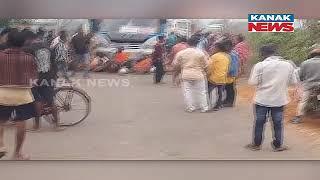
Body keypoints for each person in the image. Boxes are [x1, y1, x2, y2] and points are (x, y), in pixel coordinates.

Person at [245, 44, 297, 152]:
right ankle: (278, 145)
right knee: (278, 122)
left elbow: (253, 82)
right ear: (276, 52)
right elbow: (293, 82)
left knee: (259, 122)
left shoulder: (260, 65)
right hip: (279, 99)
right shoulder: (288, 65)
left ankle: (256, 144)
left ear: (263, 54)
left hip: (262, 99)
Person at [0, 31, 38, 160]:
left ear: (7, 42)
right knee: (21, 123)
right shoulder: (29, 58)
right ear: (23, 43)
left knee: (1, 122)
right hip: (22, 95)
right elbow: (34, 79)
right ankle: (17, 153)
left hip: (2, 94)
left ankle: (0, 146)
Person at [22, 30, 61, 131]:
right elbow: (54, 63)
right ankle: (57, 125)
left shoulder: (28, 49)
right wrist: (55, 75)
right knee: (51, 100)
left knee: (37, 101)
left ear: (28, 39)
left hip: (36, 78)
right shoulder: (48, 47)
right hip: (49, 77)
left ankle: (37, 126)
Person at [173, 36, 209, 113]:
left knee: (187, 92)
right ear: (197, 44)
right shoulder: (200, 53)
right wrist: (206, 73)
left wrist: (177, 74)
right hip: (198, 75)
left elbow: (175, 64)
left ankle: (190, 107)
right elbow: (206, 65)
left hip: (186, 75)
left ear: (187, 44)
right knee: (202, 92)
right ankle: (204, 108)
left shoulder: (181, 53)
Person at [291, 48, 320, 124]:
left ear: (311, 55)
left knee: (303, 101)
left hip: (308, 85)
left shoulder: (305, 63)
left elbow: (301, 76)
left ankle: (298, 117)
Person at [207, 39, 232, 111]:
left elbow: (210, 67)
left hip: (213, 78)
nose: (213, 49)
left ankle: (208, 104)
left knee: (208, 91)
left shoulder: (214, 57)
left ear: (218, 48)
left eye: (214, 48)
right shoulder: (227, 56)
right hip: (223, 77)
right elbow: (228, 67)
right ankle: (218, 105)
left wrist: (207, 75)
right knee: (220, 92)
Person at [224, 42, 240, 107]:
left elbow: (232, 66)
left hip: (230, 74)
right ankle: (228, 100)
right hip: (233, 73)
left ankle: (230, 102)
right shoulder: (234, 53)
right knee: (229, 87)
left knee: (229, 88)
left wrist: (228, 72)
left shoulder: (231, 55)